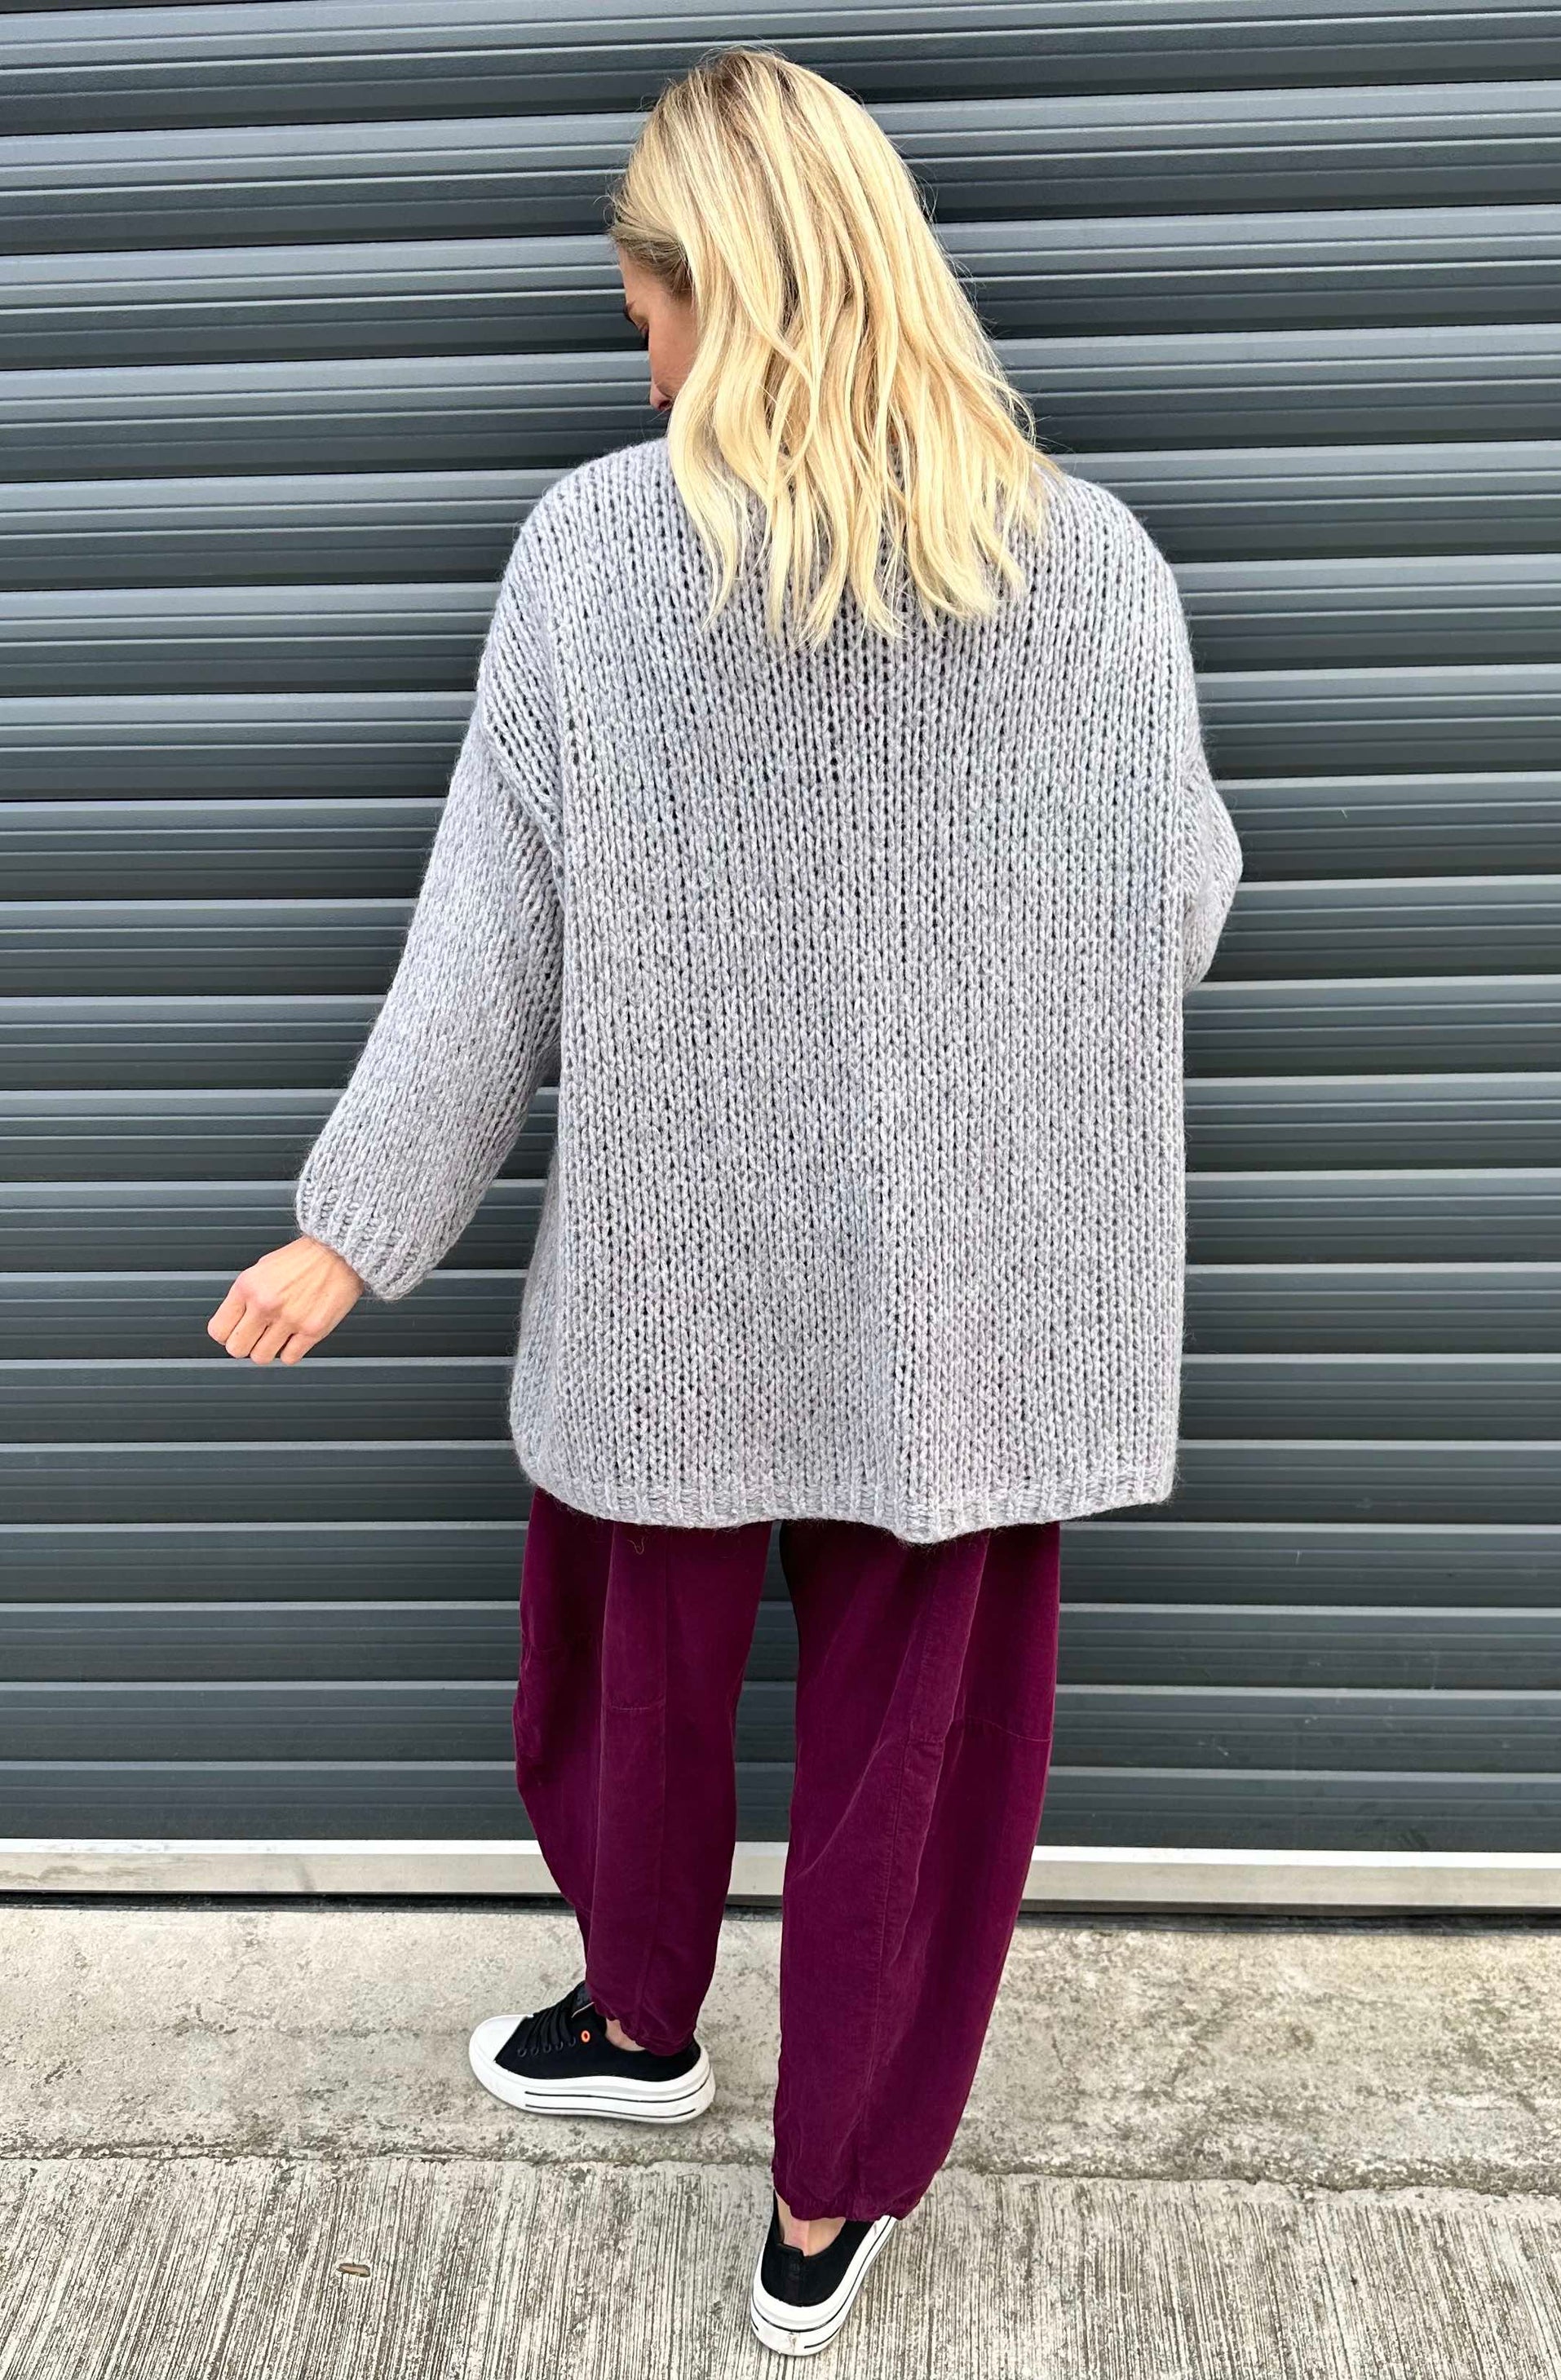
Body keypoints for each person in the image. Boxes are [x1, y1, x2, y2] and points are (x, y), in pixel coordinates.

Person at [206, 45, 1241, 2361]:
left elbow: (489, 942)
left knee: (624, 1689)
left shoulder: (596, 554)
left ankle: (638, 2021)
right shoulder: (1092, 564)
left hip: (683, 1270)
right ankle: (824, 2192)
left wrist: (353, 1227)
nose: (642, 367)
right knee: (914, 1763)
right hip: (977, 1290)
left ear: (722, 292)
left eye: (646, 316)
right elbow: (1179, 905)